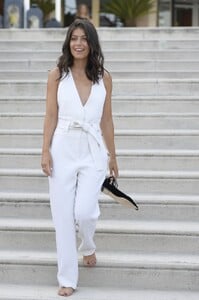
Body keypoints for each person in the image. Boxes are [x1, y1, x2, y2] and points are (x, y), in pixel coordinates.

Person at [41, 18, 118, 297]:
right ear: (68, 42)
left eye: (84, 38)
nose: (78, 43)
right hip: (62, 146)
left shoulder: (104, 77)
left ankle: (88, 244)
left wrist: (112, 156)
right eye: (74, 38)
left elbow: (107, 120)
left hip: (93, 150)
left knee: (84, 212)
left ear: (92, 42)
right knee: (63, 216)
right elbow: (50, 116)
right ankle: (67, 278)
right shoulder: (56, 75)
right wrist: (45, 150)